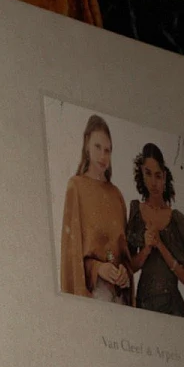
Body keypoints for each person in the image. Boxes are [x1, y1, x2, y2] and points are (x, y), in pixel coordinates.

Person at [59, 115, 132, 304]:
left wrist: (124, 272)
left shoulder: (116, 195)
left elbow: (125, 253)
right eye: (97, 147)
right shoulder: (76, 187)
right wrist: (98, 268)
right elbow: (72, 254)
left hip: (118, 298)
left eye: (107, 150)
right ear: (87, 146)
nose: (102, 156)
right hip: (93, 295)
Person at [126, 142, 184, 318]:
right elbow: (129, 267)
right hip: (144, 304)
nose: (153, 182)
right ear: (142, 174)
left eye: (158, 176)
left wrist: (160, 245)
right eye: (148, 174)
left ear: (165, 177)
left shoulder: (176, 219)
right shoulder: (136, 211)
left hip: (171, 306)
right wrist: (146, 249)